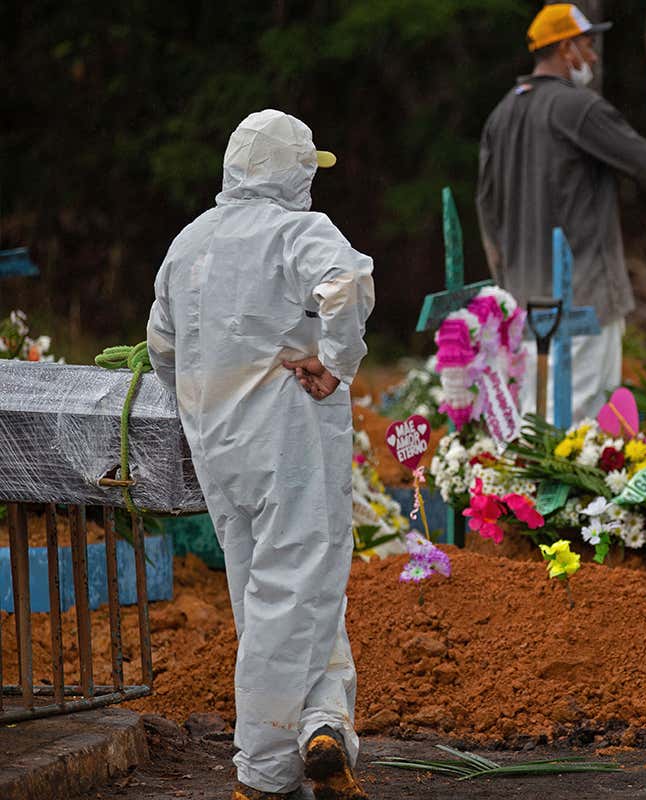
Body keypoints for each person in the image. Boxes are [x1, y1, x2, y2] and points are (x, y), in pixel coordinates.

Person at [146, 109, 375, 800]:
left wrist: (199, 406)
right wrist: (335, 361)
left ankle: (323, 726)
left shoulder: (189, 244)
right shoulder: (297, 231)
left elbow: (162, 344)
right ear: (294, 170)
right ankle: (265, 774)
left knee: (277, 596)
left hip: (222, 451)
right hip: (292, 444)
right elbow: (345, 285)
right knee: (293, 591)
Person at [476, 3, 646, 423]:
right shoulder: (579, 107)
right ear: (566, 49)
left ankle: (520, 492)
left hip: (523, 298)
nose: (593, 57)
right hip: (583, 291)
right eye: (588, 46)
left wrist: (505, 278)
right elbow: (643, 160)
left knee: (529, 419)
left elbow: (486, 205)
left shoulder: (502, 114)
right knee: (583, 419)